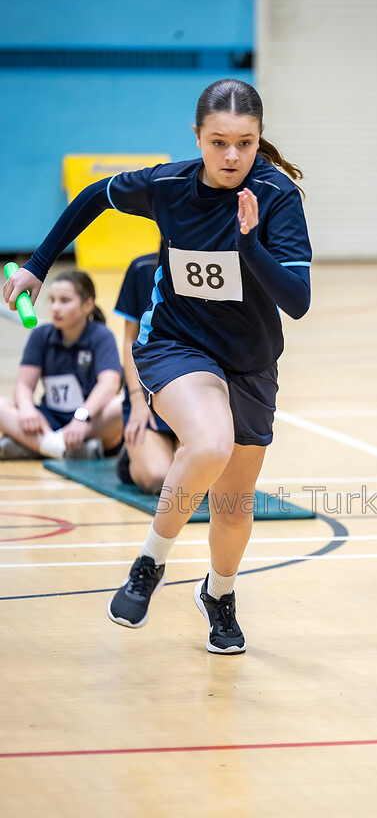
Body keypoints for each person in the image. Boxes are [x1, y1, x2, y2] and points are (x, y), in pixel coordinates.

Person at [4, 78, 312, 654]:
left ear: (260, 139)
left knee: (234, 500)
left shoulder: (276, 197)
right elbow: (93, 196)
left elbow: (297, 300)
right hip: (176, 345)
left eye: (245, 143)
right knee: (210, 442)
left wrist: (250, 246)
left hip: (250, 359)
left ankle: (219, 595)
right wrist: (38, 266)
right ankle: (150, 561)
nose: (231, 156)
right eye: (218, 141)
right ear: (196, 137)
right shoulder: (168, 185)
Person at [0, 269, 122, 461]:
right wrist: (26, 408)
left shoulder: (101, 336)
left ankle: (36, 447)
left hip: (89, 421)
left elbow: (109, 384)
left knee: (121, 405)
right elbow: (24, 384)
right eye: (52, 300)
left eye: (64, 301)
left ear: (87, 305)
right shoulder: (41, 335)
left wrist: (82, 417)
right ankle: (66, 450)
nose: (55, 307)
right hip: (49, 421)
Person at [113, 252, 178, 495]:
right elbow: (130, 340)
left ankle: (169, 449)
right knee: (158, 479)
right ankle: (132, 454)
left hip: (195, 391)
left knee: (207, 477)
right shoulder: (141, 268)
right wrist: (138, 402)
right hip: (148, 394)